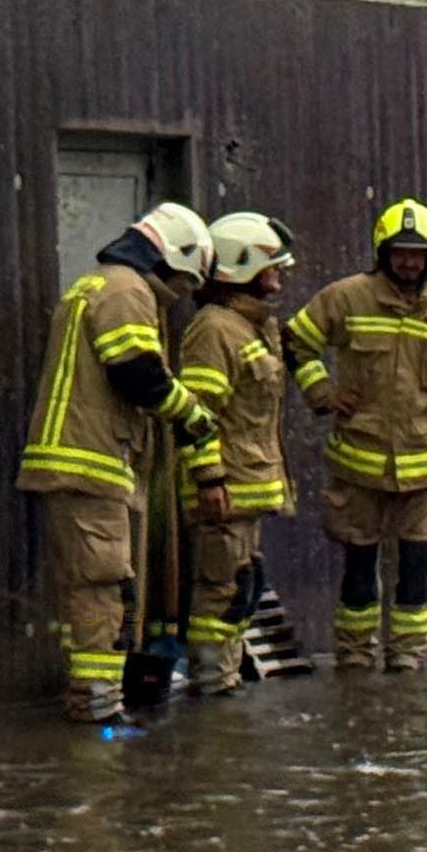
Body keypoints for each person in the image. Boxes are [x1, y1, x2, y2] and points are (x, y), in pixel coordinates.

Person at [17, 201, 219, 723]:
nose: (182, 293)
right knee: (102, 584)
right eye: (185, 281)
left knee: (95, 583)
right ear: (174, 257)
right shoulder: (127, 290)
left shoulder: (98, 284)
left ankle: (97, 697)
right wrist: (192, 413)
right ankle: (98, 708)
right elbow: (137, 374)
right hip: (89, 461)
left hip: (80, 460)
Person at [290, 197, 427, 673]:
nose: (408, 262)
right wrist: (323, 393)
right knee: (359, 569)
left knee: (414, 570)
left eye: (417, 254)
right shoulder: (347, 297)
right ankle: (354, 657)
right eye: (400, 252)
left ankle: (407, 660)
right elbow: (297, 342)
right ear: (382, 253)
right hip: (359, 463)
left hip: (424, 466)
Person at [174, 212, 299, 697]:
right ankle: (212, 687)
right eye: (271, 267)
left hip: (245, 489)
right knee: (221, 595)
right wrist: (209, 478)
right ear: (241, 266)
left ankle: (222, 682)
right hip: (225, 492)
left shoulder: (250, 327)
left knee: (241, 587)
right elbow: (198, 412)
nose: (278, 277)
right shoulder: (214, 330)